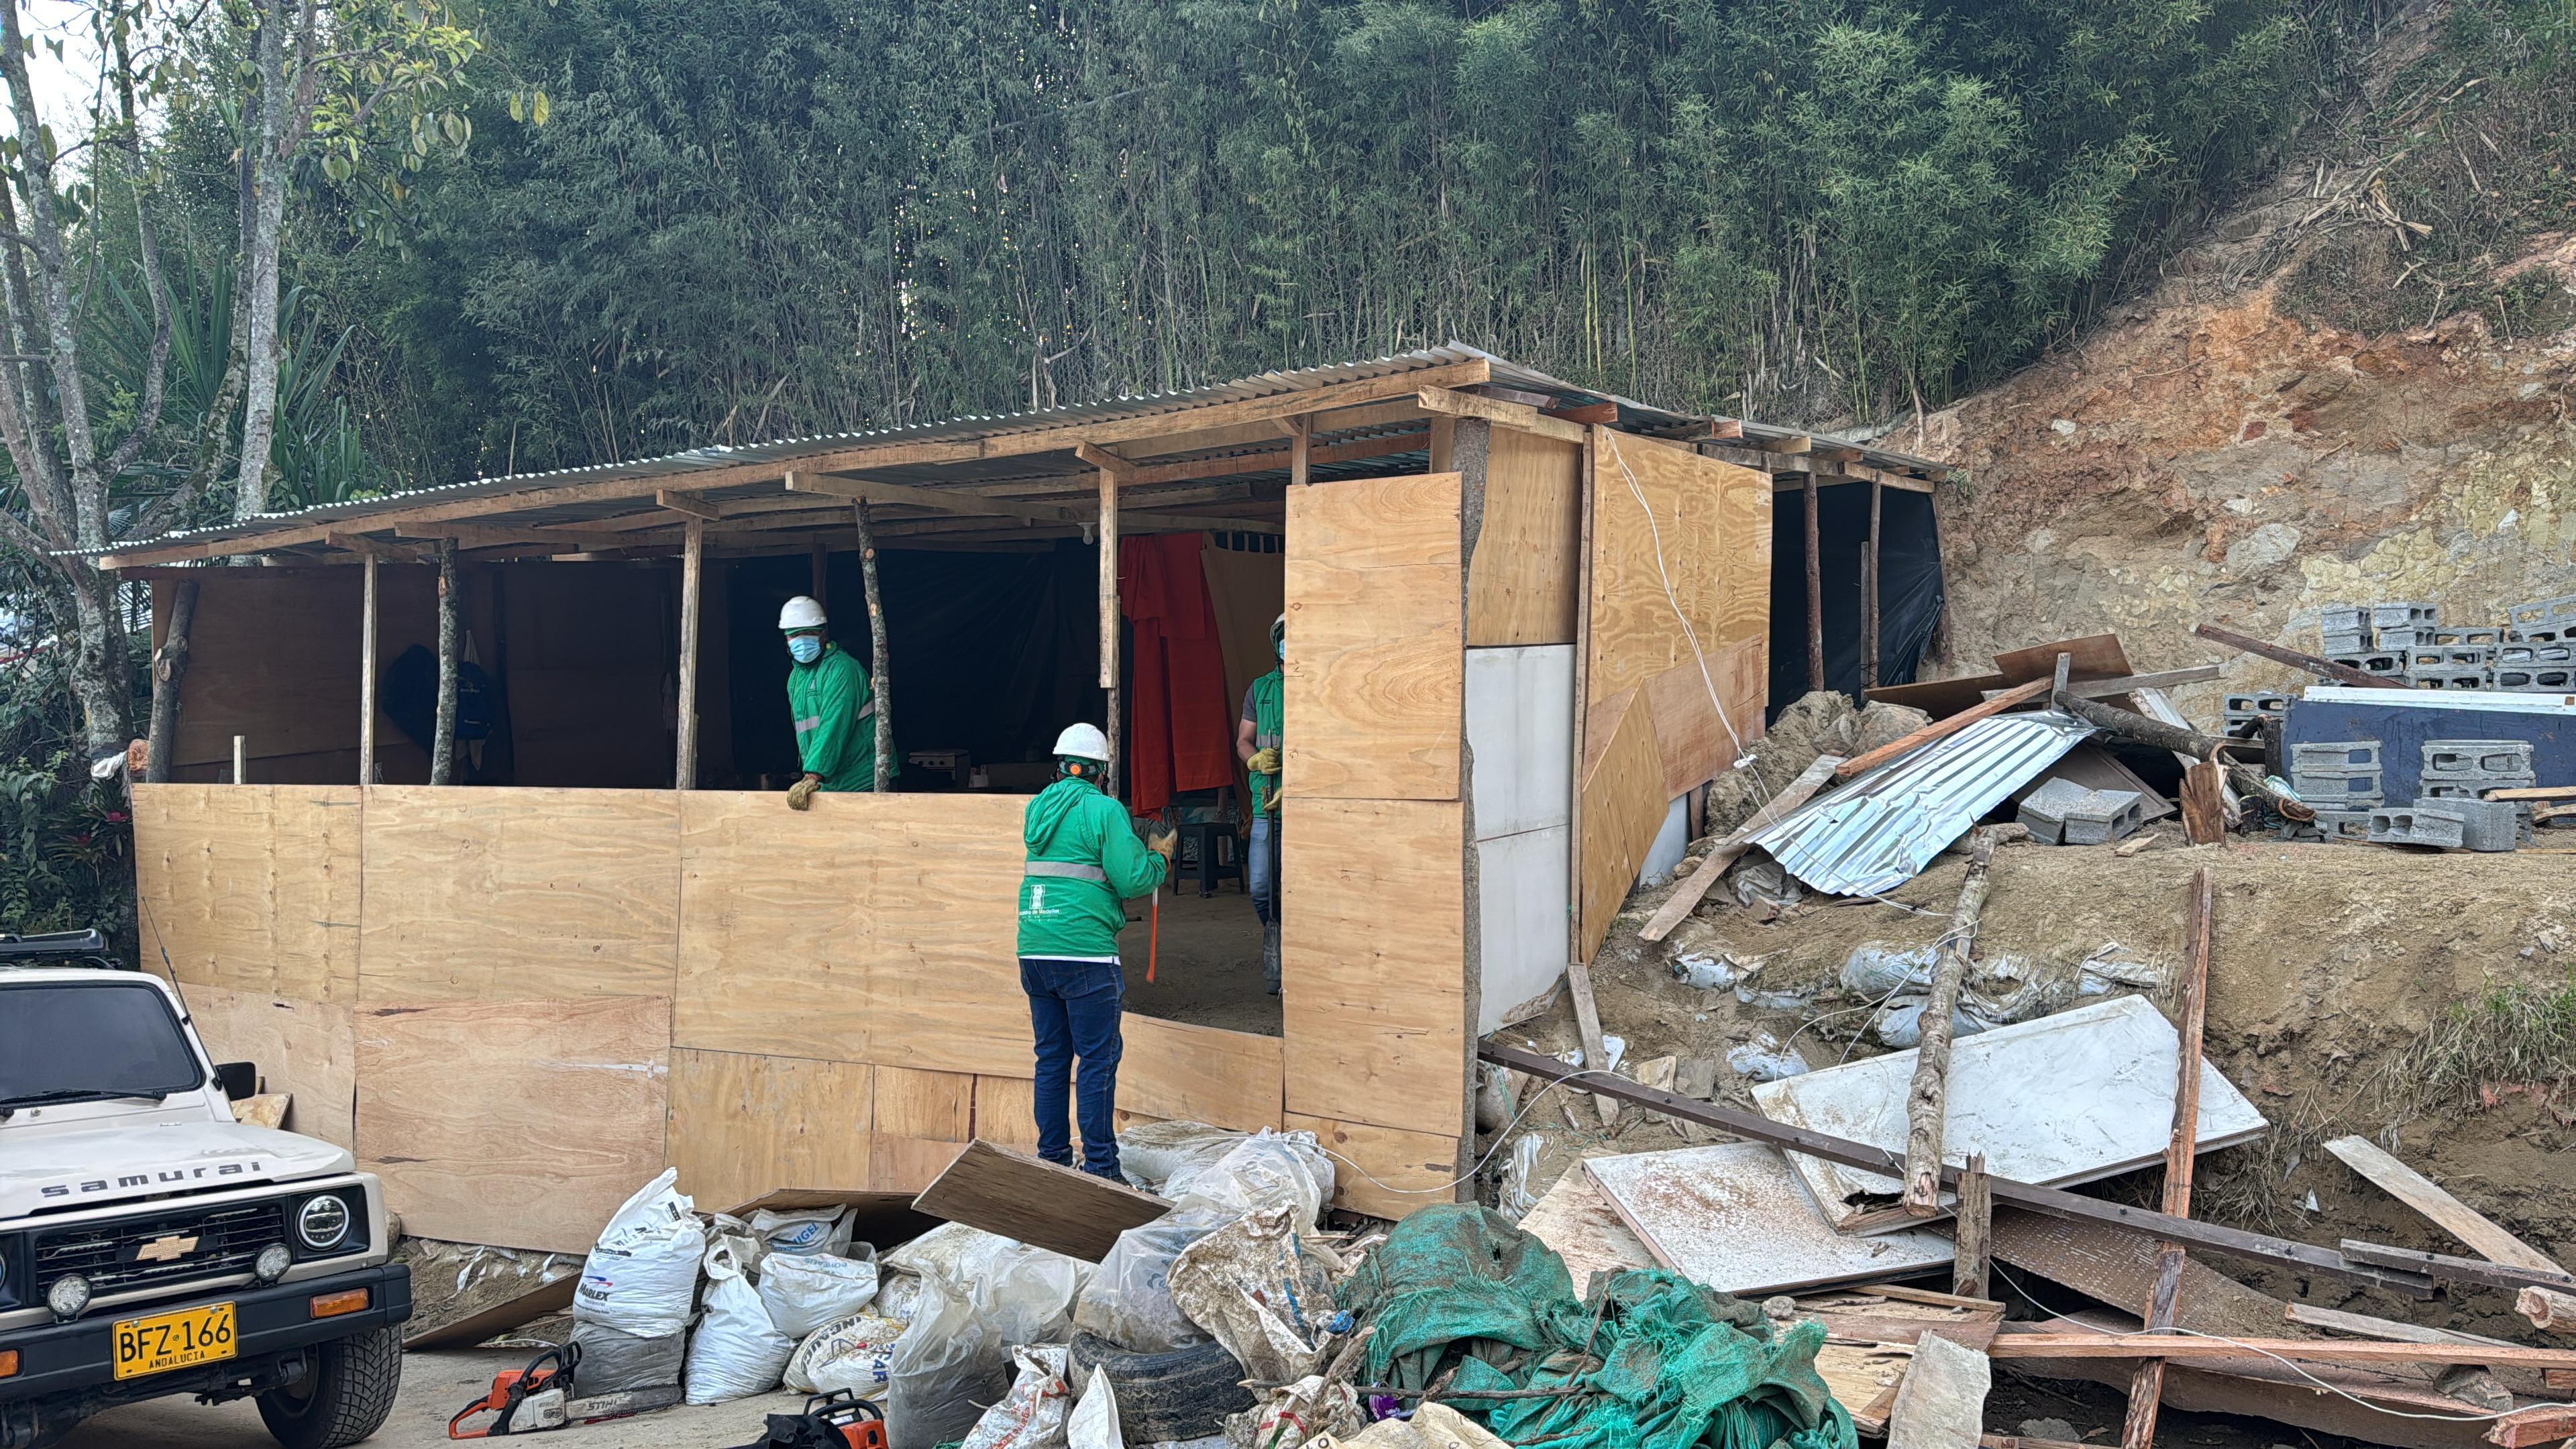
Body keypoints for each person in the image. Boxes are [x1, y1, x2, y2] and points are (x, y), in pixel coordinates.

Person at [1017, 723, 1173, 1179]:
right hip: (1085, 953)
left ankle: (1052, 1161)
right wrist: (1160, 858)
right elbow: (1132, 879)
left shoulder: (1036, 810)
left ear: (1060, 767)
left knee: (1051, 1058)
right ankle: (1102, 1169)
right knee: (1097, 1061)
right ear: (1101, 772)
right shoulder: (1104, 811)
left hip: (1033, 946)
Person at [779, 595, 879, 807]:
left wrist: (812, 776)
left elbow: (833, 725)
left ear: (824, 634)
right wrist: (814, 776)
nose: (802, 640)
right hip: (829, 782)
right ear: (786, 638)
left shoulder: (842, 669)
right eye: (795, 634)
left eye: (810, 633)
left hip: (861, 782)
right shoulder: (796, 678)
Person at [1235, 612, 1285, 993]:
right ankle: (1277, 943)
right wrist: (1253, 758)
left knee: (1298, 889)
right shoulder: (1261, 689)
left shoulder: (1315, 685)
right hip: (1265, 804)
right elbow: (1243, 740)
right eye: (1283, 638)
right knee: (1261, 888)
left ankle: (1291, 964)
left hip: (1307, 806)